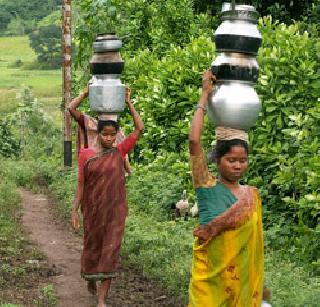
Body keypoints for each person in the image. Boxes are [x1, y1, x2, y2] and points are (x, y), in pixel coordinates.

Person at [188, 70, 266, 306]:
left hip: (241, 289)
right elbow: (194, 141)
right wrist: (204, 95)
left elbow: (253, 252)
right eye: (231, 160)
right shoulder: (206, 185)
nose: (238, 166)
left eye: (242, 161)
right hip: (209, 288)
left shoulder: (251, 196)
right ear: (217, 160)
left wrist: (262, 287)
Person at [71, 92, 144, 307]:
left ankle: (102, 299)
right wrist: (74, 210)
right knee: (93, 247)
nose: (110, 139)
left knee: (111, 250)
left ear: (117, 134)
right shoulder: (86, 155)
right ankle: (91, 279)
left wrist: (130, 103)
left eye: (113, 135)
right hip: (93, 212)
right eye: (106, 135)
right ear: (98, 134)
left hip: (114, 212)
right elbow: (82, 184)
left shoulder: (120, 151)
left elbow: (139, 129)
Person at [68, 84, 133, 174]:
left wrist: (128, 102)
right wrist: (84, 94)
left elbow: (124, 159)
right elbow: (71, 108)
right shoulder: (91, 125)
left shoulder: (118, 134)